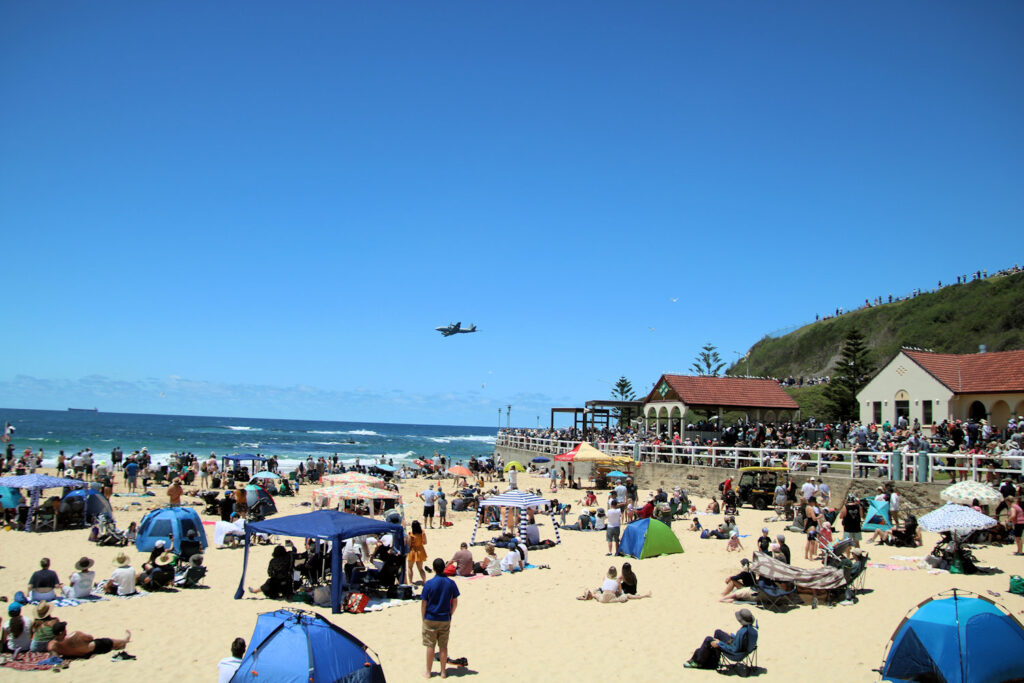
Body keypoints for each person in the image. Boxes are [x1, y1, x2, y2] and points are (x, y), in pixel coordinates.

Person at [421, 557, 459, 679]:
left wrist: (423, 617)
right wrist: (450, 613)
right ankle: (443, 672)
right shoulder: (450, 583)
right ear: (444, 568)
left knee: (430, 646)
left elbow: (424, 603)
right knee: (443, 646)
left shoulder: (429, 583)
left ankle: (428, 672)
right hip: (444, 617)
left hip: (431, 617)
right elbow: (455, 601)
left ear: (433, 569)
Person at [685, 608, 757, 669]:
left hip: (735, 654)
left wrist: (720, 643)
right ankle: (716, 659)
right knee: (718, 632)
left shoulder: (742, 632)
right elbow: (743, 642)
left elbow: (735, 650)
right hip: (741, 651)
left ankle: (698, 662)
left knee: (708, 639)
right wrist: (732, 635)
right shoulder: (753, 631)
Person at [46, 621, 131, 658]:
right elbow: (90, 638)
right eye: (64, 629)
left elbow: (55, 656)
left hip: (73, 655)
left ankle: (123, 641)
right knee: (108, 641)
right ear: (61, 632)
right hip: (91, 649)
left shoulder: (52, 645)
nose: (66, 630)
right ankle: (124, 640)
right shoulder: (75, 635)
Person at [576, 565, 652, 602]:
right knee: (627, 596)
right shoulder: (618, 581)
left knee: (595, 593)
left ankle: (586, 596)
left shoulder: (605, 578)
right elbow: (619, 592)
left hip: (603, 598)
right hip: (612, 598)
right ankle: (645, 595)